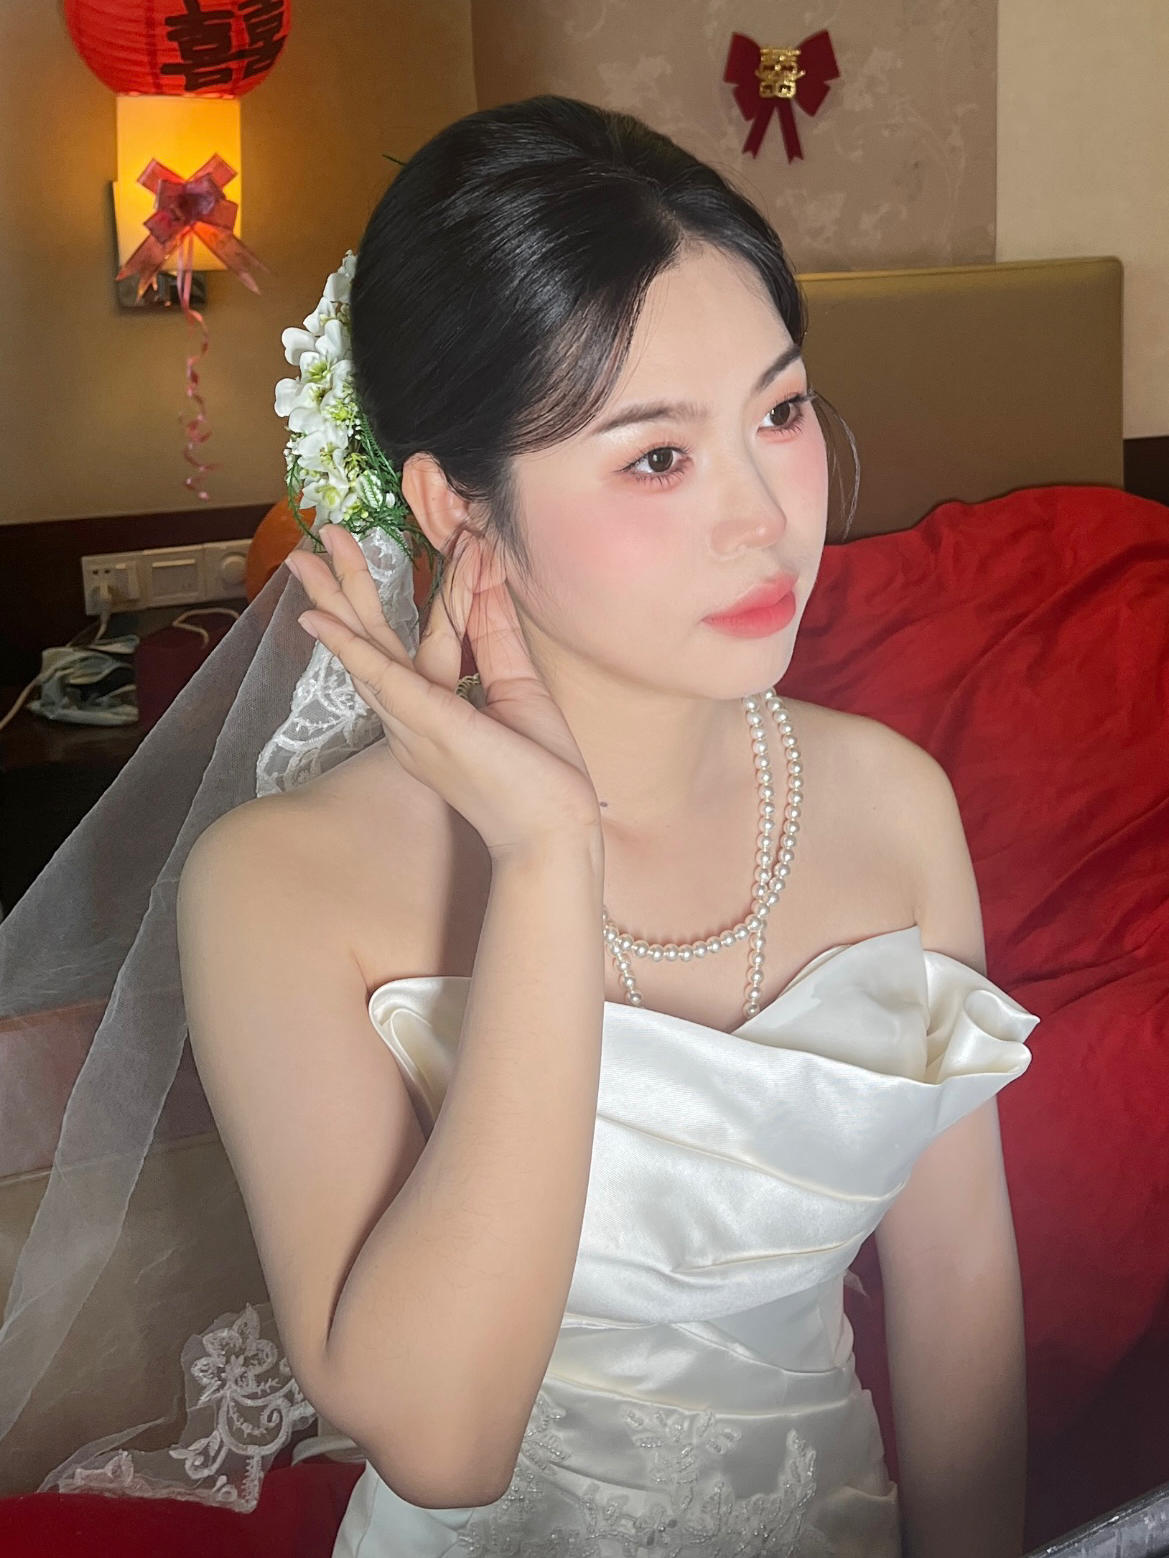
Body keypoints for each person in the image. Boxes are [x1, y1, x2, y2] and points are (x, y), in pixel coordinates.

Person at [0, 96, 1039, 1557]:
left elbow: (959, 1295)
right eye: (656, 457)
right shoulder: (282, 885)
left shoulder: (891, 802)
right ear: (454, 506)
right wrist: (546, 859)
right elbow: (444, 1446)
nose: (765, 516)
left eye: (782, 411)